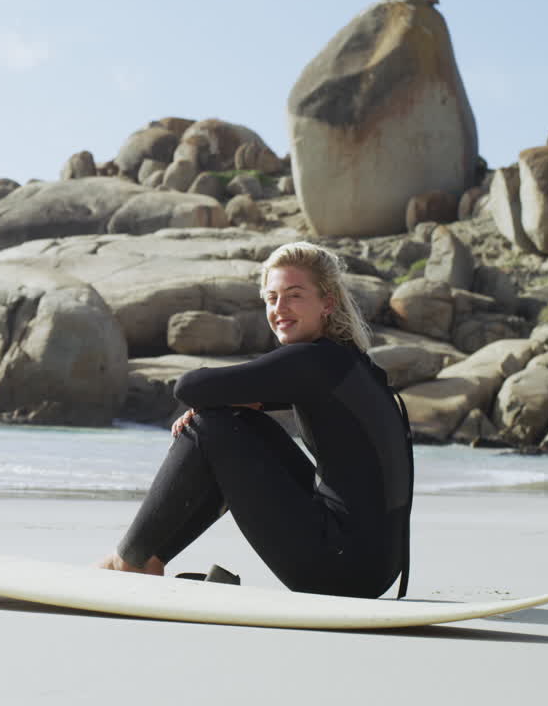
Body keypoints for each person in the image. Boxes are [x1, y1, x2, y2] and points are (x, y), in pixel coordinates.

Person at [97, 241, 413, 598]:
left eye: (294, 295)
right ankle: (147, 557)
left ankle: (131, 560)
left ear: (327, 303)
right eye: (272, 297)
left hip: (339, 568)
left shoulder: (312, 362)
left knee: (211, 426)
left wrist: (219, 409)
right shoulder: (349, 363)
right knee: (233, 423)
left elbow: (190, 386)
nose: (280, 309)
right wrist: (238, 406)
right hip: (371, 567)